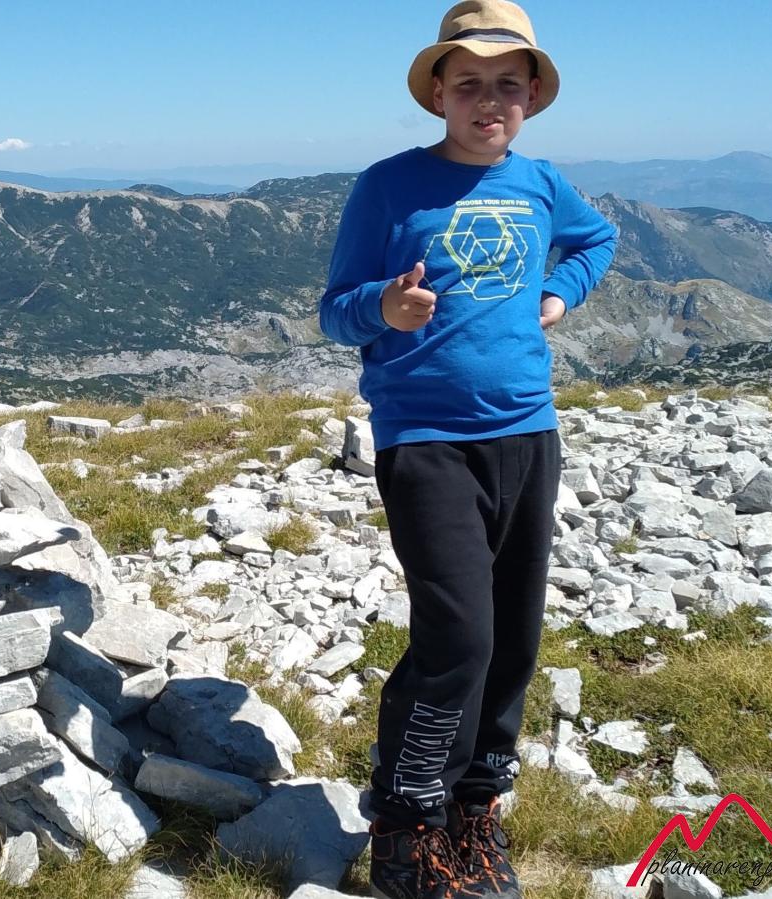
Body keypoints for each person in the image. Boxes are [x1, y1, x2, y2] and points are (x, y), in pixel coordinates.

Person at [318, 2, 618, 897]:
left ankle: (475, 810)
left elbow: (597, 239)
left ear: (531, 95)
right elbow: (335, 309)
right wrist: (384, 305)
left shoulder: (541, 182)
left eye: (508, 85)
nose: (490, 100)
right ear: (438, 93)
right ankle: (408, 827)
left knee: (514, 637)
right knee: (459, 636)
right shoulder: (388, 186)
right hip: (426, 440)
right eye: (470, 84)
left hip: (527, 432)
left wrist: (560, 293)